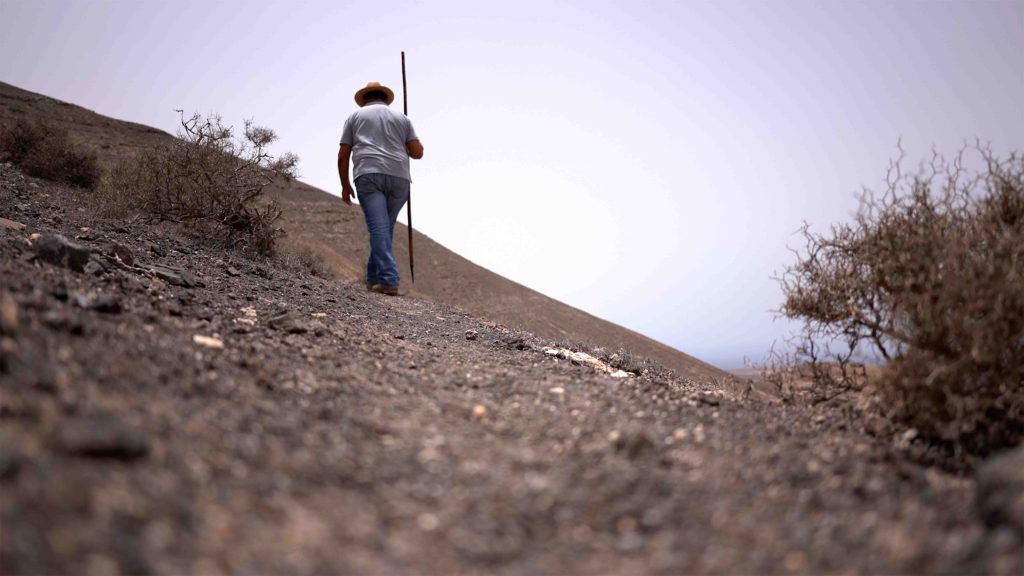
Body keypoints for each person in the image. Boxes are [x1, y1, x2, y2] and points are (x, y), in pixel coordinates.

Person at [338, 81, 424, 296]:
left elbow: (343, 154)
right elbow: (418, 152)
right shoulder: (401, 118)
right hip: (400, 178)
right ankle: (373, 279)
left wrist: (345, 184)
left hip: (369, 174)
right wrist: (401, 142)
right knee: (384, 229)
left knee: (379, 228)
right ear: (385, 99)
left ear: (364, 99)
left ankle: (388, 280)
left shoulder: (354, 117)